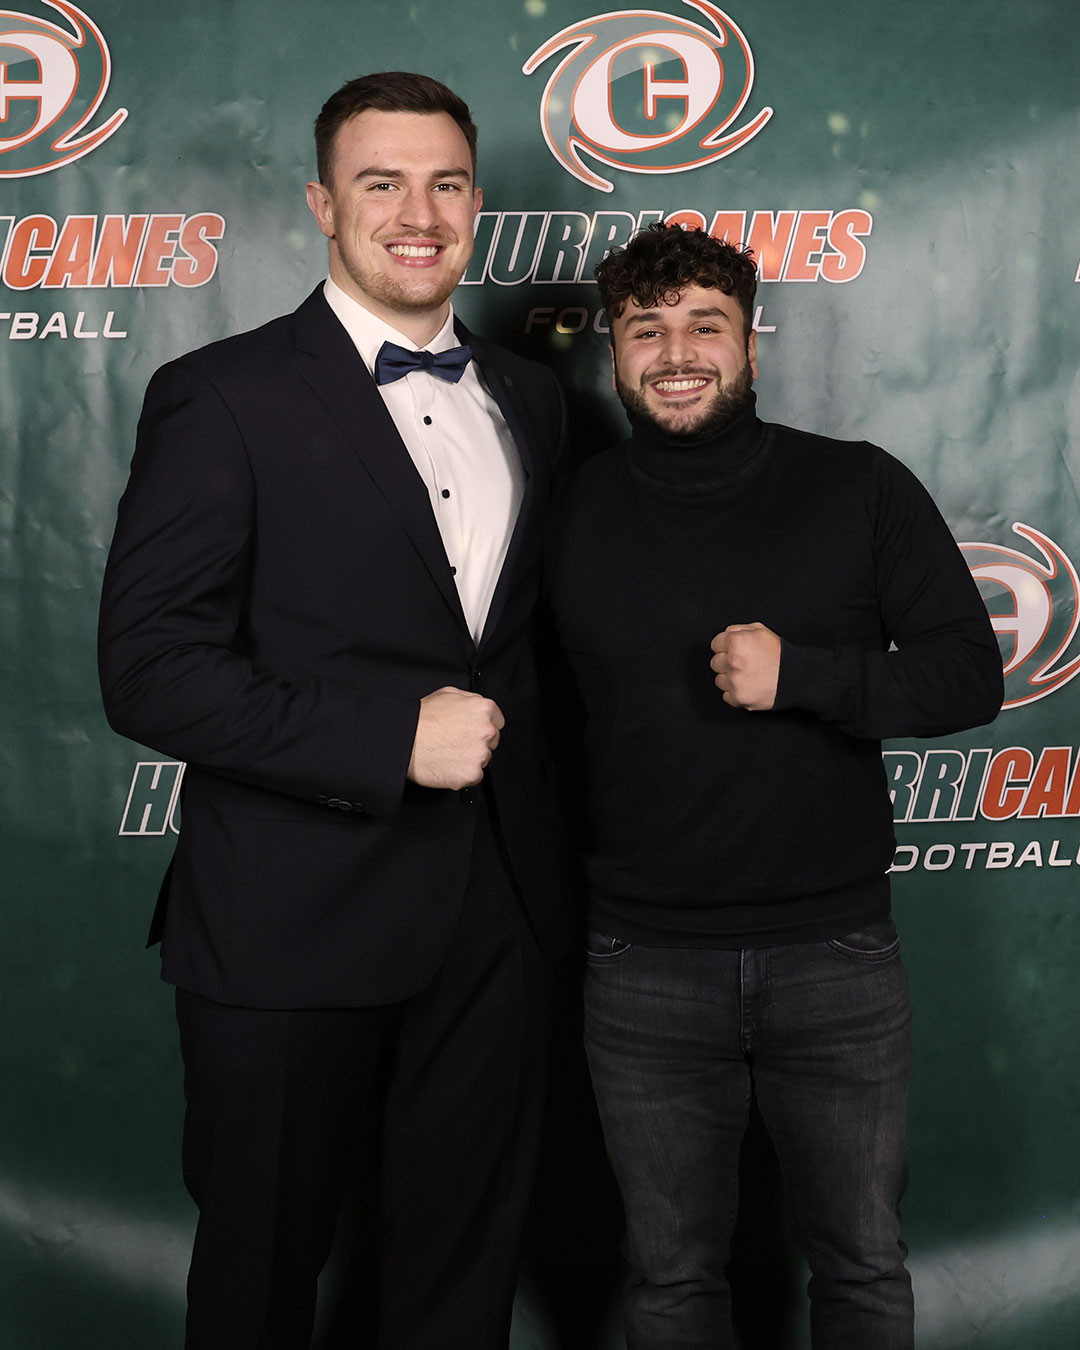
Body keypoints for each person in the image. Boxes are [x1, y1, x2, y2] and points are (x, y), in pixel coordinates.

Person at [99, 71, 574, 1350]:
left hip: (496, 920)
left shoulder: (531, 398)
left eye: (446, 183)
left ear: (476, 202)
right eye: (382, 182)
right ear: (322, 203)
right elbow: (147, 667)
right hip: (286, 920)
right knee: (257, 1280)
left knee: (460, 1285)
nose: (419, 214)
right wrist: (389, 739)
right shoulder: (224, 394)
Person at [545, 222, 1003, 1349]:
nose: (676, 353)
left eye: (706, 326)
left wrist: (806, 675)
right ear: (614, 353)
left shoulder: (857, 485)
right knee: (668, 1280)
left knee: (861, 1267)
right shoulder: (569, 509)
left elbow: (968, 674)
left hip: (834, 955)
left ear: (752, 345)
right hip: (641, 963)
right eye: (645, 330)